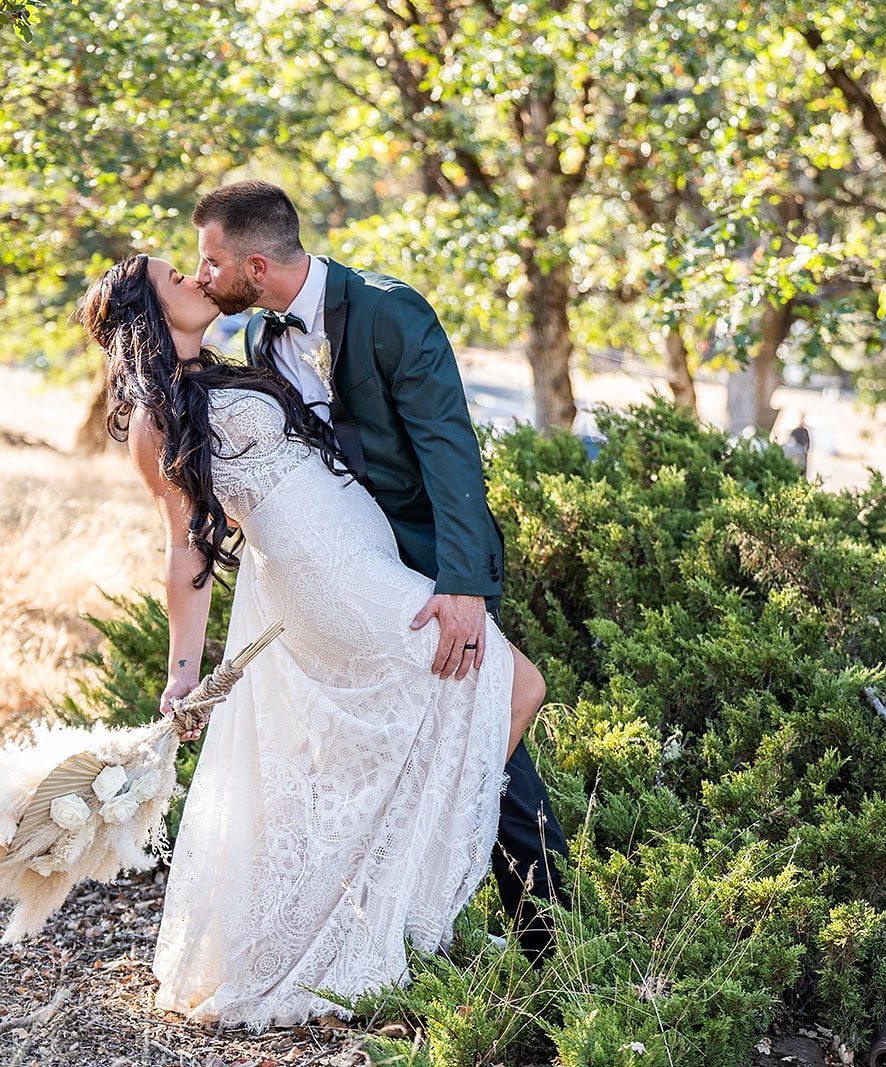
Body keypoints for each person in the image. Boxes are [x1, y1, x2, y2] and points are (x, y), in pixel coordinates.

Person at [79, 252, 547, 1030]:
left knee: (429, 725)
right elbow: (184, 548)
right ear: (148, 315)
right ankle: (410, 887)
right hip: (325, 578)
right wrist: (182, 673)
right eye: (177, 277)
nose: (198, 279)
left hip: (359, 557)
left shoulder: (237, 359)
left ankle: (383, 888)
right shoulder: (156, 418)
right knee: (516, 684)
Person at [192, 181, 570, 963]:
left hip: (424, 569)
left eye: (212, 260)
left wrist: (462, 586)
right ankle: (378, 933)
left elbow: (448, 447)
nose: (202, 276)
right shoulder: (263, 341)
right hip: (343, 579)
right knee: (368, 750)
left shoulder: (392, 312)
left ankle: (553, 948)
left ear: (256, 265)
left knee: (486, 734)